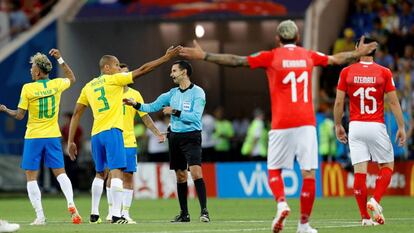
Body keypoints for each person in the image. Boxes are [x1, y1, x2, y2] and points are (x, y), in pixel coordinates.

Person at [179, 19, 377, 233]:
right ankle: (303, 224)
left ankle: (281, 202)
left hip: (282, 123)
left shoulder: (271, 56)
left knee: (274, 169)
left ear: (277, 39)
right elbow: (336, 59)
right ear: (297, 38)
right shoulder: (308, 55)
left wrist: (205, 55)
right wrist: (356, 54)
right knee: (308, 173)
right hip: (306, 122)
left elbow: (237, 60)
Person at [67, 46, 181, 224]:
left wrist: (70, 141)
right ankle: (116, 215)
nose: (118, 69)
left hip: (96, 134)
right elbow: (144, 69)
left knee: (99, 173)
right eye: (116, 66)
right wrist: (165, 58)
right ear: (107, 68)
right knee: (117, 172)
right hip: (113, 132)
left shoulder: (88, 87)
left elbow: (76, 115)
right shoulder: (115, 80)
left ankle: (94, 213)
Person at [0, 49, 81, 225]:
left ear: (37, 71)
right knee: (60, 173)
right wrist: (60, 58)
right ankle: (71, 203)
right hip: (53, 135)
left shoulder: (28, 88)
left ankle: (40, 216)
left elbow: (20, 115)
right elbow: (72, 78)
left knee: (31, 176)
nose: (30, 70)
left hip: (34, 136)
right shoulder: (57, 84)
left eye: (32, 68)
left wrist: (6, 110)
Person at [124, 60, 210, 223]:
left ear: (184, 72)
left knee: (196, 172)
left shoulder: (198, 93)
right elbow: (151, 107)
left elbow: (195, 117)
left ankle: (204, 211)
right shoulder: (171, 94)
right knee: (180, 176)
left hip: (192, 136)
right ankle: (184, 214)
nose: (171, 74)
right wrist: (136, 104)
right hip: (175, 137)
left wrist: (175, 111)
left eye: (174, 71)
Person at [334, 37, 406, 226]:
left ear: (358, 48)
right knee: (387, 166)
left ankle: (365, 218)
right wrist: (401, 126)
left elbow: (340, 102)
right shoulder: (384, 72)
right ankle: (374, 201)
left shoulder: (346, 72)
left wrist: (337, 125)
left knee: (359, 173)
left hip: (356, 126)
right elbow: (393, 101)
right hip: (376, 124)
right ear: (374, 51)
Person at [105, 63, 166, 223]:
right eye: (121, 73)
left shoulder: (135, 95)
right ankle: (112, 211)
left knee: (128, 176)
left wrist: (157, 132)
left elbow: (145, 116)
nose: (124, 76)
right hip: (113, 139)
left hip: (129, 141)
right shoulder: (109, 92)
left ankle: (125, 213)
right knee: (112, 175)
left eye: (127, 73)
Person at [61, 112, 83, 192]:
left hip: (75, 150)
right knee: (67, 169)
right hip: (66, 150)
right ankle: (68, 187)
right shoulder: (64, 128)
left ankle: (75, 186)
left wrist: (79, 149)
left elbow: (80, 139)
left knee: (74, 169)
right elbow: (63, 139)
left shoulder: (77, 128)